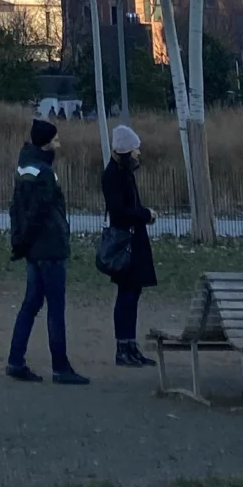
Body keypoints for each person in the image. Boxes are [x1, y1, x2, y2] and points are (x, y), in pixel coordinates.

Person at [7, 116, 88, 384]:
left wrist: (21, 243)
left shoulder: (23, 169)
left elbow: (18, 208)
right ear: (45, 144)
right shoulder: (45, 173)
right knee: (55, 308)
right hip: (50, 248)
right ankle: (60, 367)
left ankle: (15, 360)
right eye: (55, 139)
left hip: (33, 249)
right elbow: (41, 212)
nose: (58, 144)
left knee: (30, 305)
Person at [98, 124, 157, 366]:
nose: (138, 154)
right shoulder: (113, 175)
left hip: (133, 240)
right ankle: (123, 346)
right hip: (126, 243)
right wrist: (145, 214)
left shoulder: (123, 172)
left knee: (132, 293)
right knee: (126, 295)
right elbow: (119, 211)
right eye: (134, 150)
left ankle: (130, 344)